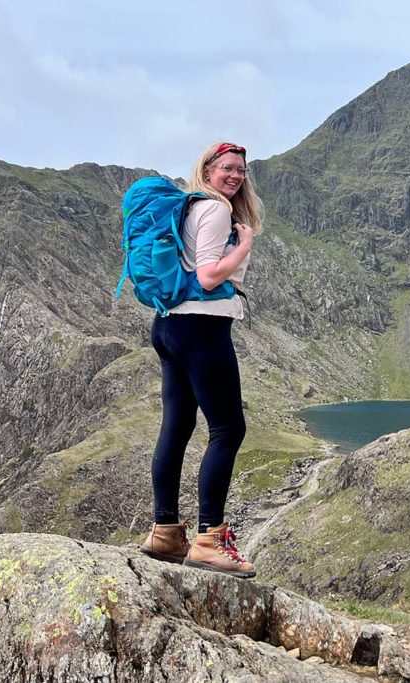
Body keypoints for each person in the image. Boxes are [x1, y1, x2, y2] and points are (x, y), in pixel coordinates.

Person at [138, 141, 263, 577]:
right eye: (227, 168)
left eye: (241, 170)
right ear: (207, 169)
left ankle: (166, 531)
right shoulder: (215, 211)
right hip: (201, 328)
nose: (235, 176)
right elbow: (209, 277)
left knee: (178, 425)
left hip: (170, 325)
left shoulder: (190, 208)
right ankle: (210, 539)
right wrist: (243, 244)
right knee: (229, 428)